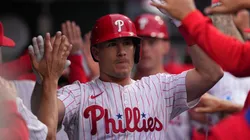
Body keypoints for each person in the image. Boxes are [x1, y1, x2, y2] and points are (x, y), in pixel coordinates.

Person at [30, 13, 223, 139]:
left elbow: (212, 73)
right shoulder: (78, 94)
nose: (122, 51)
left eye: (128, 43)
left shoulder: (160, 87)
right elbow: (43, 128)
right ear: (97, 53)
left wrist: (185, 21)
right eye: (113, 44)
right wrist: (45, 80)